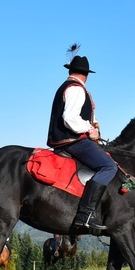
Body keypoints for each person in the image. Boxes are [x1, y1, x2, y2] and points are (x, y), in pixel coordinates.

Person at [47, 45, 117, 232]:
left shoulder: (66, 86)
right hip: (73, 141)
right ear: (86, 74)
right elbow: (70, 118)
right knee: (109, 166)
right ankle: (84, 214)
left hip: (64, 140)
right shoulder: (76, 89)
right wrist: (90, 130)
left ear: (70, 71)